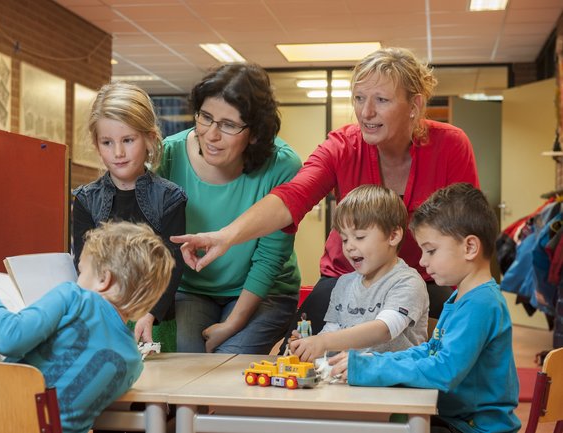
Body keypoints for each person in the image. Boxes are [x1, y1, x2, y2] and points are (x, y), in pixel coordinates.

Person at [172, 47, 480, 343]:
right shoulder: (343, 146)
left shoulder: (450, 145)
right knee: (298, 351)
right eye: (359, 98)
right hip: (348, 277)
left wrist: (473, 293)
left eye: (381, 100)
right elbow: (292, 196)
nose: (366, 112)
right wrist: (226, 236)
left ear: (414, 105)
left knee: (455, 348)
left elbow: (467, 231)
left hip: (423, 279)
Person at [331, 183, 520, 433]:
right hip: (458, 419)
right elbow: (431, 351)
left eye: (431, 250)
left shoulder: (481, 304)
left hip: (476, 427)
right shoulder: (463, 298)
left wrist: (370, 368)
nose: (422, 260)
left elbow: (443, 370)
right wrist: (372, 359)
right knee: (393, 421)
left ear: (470, 248)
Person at [0, 221, 175, 433]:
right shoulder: (134, 363)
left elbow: (9, 338)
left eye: (81, 271)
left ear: (103, 280)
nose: (78, 278)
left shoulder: (74, 297)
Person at [159, 63, 302, 354]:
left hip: (265, 293)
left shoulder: (283, 165)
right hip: (192, 289)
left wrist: (233, 323)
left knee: (231, 361)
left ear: (254, 133)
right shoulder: (169, 155)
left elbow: (270, 256)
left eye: (228, 125)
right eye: (205, 117)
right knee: (185, 357)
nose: (211, 134)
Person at [72, 81, 186, 352]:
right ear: (96, 145)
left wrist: (150, 314)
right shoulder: (86, 200)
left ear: (149, 138)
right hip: (102, 318)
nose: (118, 153)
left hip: (154, 320)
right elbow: (83, 264)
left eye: (128, 140)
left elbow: (174, 265)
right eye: (107, 142)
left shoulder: (170, 198)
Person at [289, 184, 428, 362]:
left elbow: (384, 329)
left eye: (360, 237)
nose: (349, 246)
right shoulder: (343, 284)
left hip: (395, 382)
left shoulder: (407, 282)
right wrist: (309, 345)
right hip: (350, 378)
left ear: (393, 236)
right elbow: (332, 332)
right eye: (345, 239)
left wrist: (323, 341)